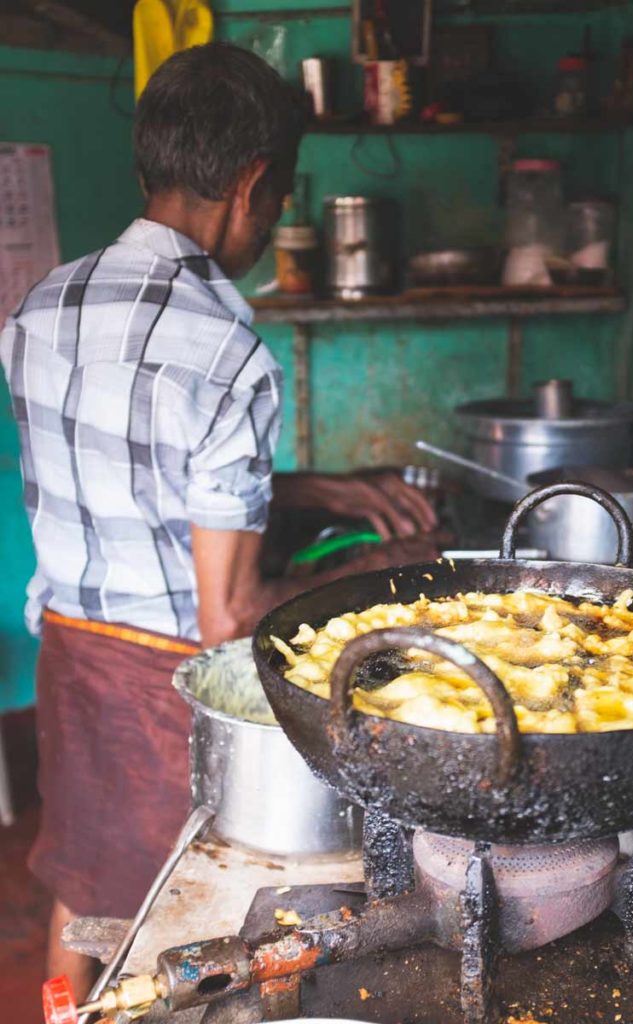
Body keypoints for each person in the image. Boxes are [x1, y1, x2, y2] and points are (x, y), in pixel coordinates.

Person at [0, 42, 440, 999]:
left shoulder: (41, 307)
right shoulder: (225, 348)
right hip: (170, 695)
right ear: (251, 185)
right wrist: (393, 573)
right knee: (196, 918)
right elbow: (227, 617)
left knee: (84, 891)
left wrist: (321, 486)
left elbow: (134, 478)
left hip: (71, 666)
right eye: (279, 198)